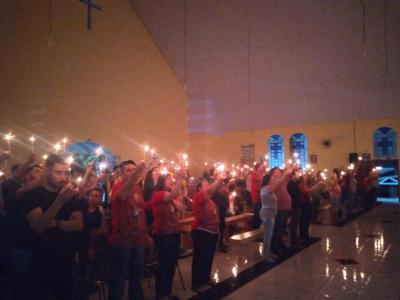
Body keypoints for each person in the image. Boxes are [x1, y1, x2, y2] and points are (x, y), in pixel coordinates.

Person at [23, 154, 83, 299]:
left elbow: (79, 224)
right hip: (42, 259)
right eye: (58, 172)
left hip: (67, 258)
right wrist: (60, 201)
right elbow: (39, 226)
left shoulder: (70, 194)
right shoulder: (33, 195)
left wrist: (56, 223)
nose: (63, 177)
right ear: (47, 171)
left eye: (65, 173)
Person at [108, 160, 153, 300]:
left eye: (134, 169)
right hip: (122, 240)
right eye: (128, 170)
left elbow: (140, 211)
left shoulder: (137, 188)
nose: (132, 172)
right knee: (119, 277)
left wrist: (145, 235)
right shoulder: (117, 187)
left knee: (137, 275)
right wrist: (139, 172)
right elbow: (121, 196)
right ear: (120, 173)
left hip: (138, 239)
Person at [151, 172, 185, 300]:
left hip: (174, 232)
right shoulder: (157, 194)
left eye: (171, 178)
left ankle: (168, 290)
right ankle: (161, 293)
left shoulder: (171, 197)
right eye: (168, 179)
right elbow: (171, 196)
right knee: (164, 263)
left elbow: (181, 208)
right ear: (161, 182)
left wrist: (176, 199)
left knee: (171, 262)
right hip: (163, 234)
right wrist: (180, 178)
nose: (171, 180)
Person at [191, 176, 224, 292]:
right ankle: (197, 283)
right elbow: (210, 191)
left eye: (207, 184)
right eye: (205, 185)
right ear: (199, 188)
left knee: (208, 257)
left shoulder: (210, 200)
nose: (208, 187)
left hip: (211, 231)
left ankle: (205, 278)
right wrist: (218, 181)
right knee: (200, 258)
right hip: (201, 231)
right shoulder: (198, 196)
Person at [270, 166, 294, 255]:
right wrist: (284, 175)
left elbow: (286, 179)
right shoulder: (272, 180)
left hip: (285, 209)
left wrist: (291, 170)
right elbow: (274, 188)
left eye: (280, 171)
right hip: (280, 209)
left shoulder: (280, 180)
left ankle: (280, 243)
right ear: (273, 174)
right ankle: (274, 247)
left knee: (282, 228)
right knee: (278, 228)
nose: (279, 171)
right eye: (277, 171)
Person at [259, 173, 278, 263]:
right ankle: (266, 255)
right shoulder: (266, 188)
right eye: (272, 178)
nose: (274, 179)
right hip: (267, 216)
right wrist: (285, 174)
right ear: (268, 180)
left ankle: (268, 252)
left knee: (269, 235)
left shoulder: (268, 189)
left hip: (270, 215)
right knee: (267, 236)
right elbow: (279, 183)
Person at [251, 163, 264, 229]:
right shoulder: (255, 173)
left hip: (260, 198)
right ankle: (254, 231)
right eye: (262, 166)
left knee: (259, 217)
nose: (263, 167)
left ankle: (257, 231)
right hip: (257, 198)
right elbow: (259, 182)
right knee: (256, 216)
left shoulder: (261, 174)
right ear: (258, 167)